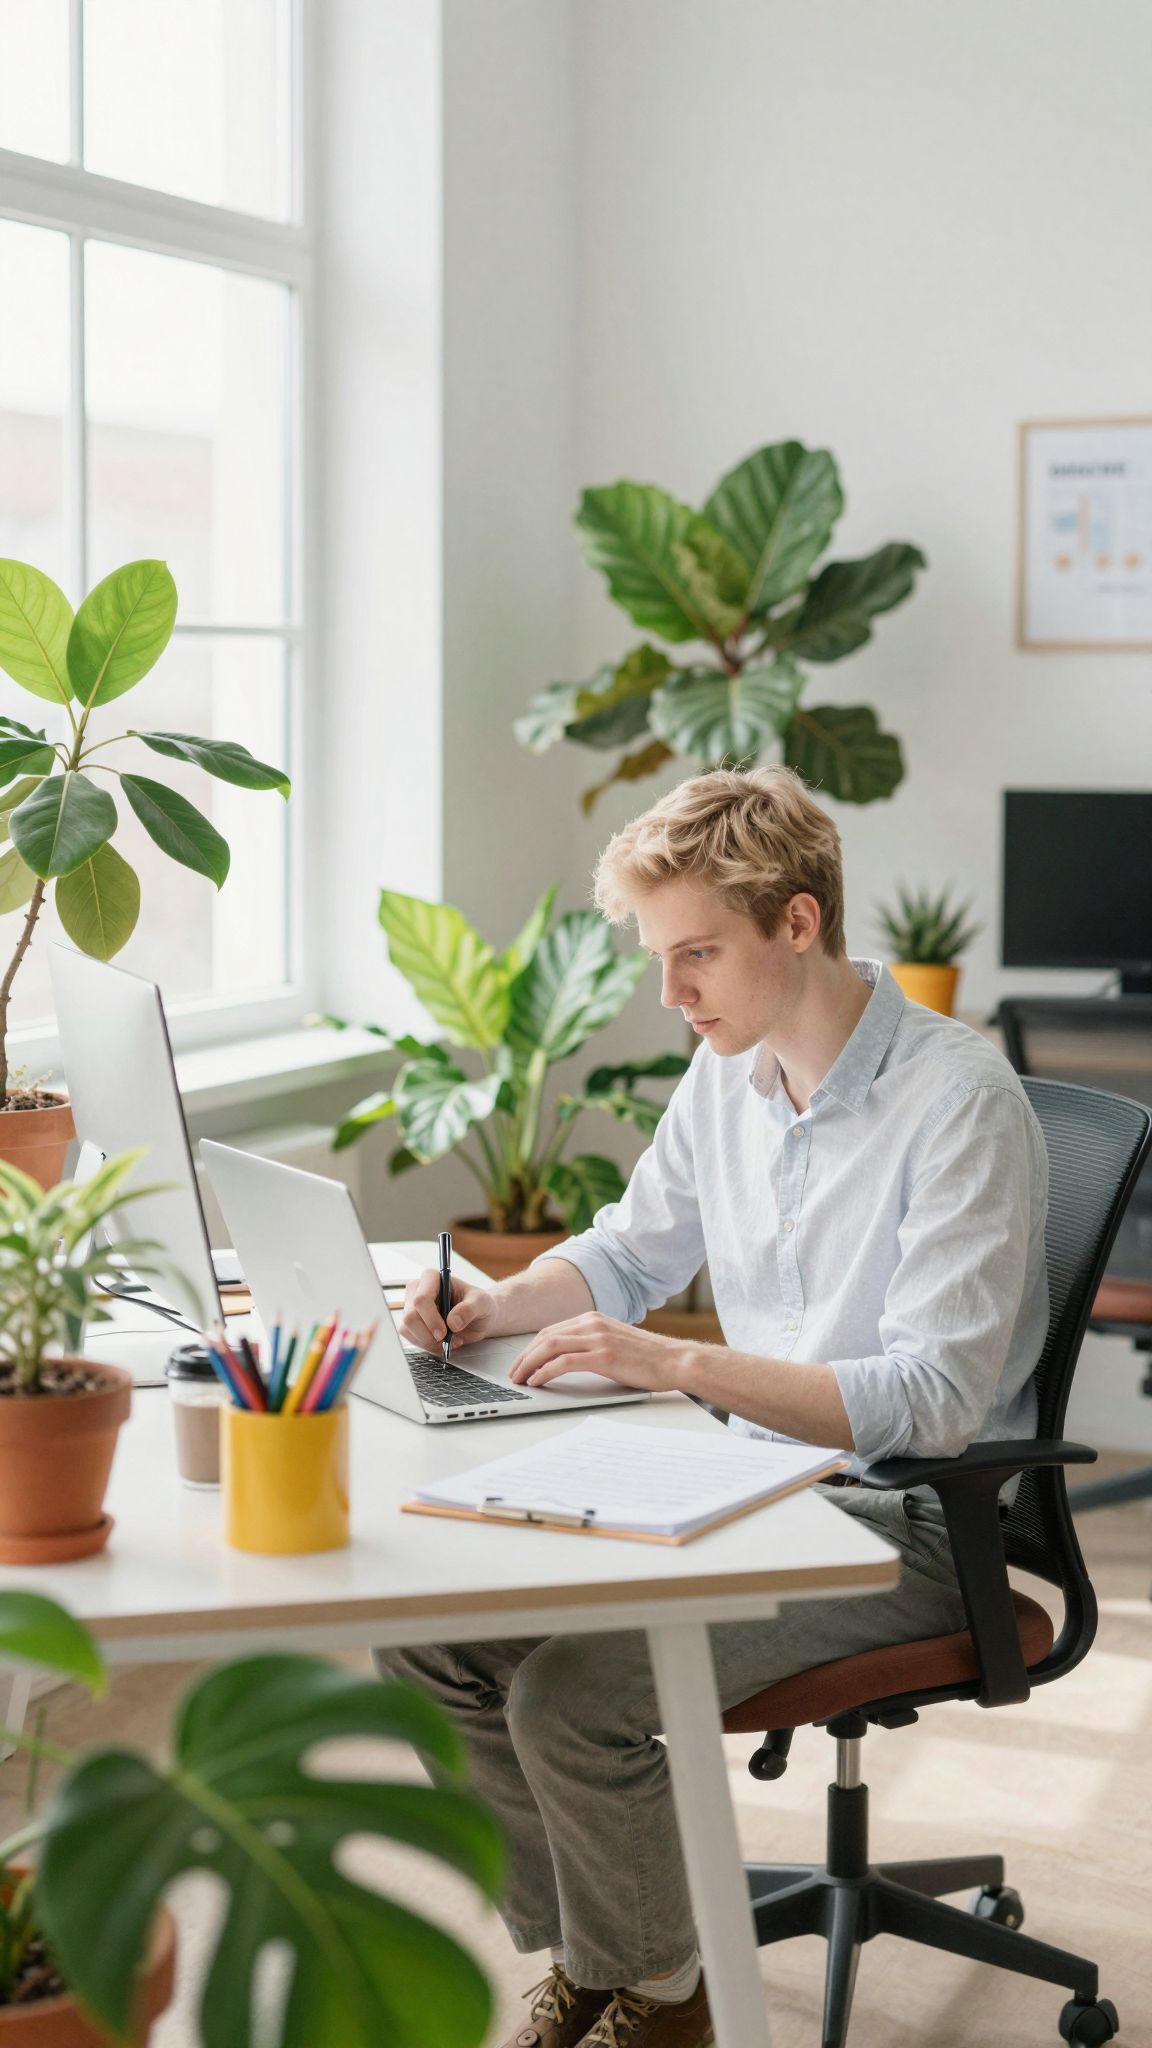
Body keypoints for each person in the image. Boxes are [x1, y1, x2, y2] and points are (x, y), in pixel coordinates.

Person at [376, 766, 1049, 2048]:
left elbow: (931, 1400)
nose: (671, 994)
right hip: (744, 1485)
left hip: (902, 1520)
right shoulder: (730, 1072)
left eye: (698, 954)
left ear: (797, 923)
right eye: (659, 957)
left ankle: (667, 2001)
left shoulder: (958, 1102)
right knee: (432, 1645)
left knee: (575, 1695)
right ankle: (606, 1954)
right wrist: (497, 1302)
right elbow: (629, 1250)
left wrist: (677, 1365)